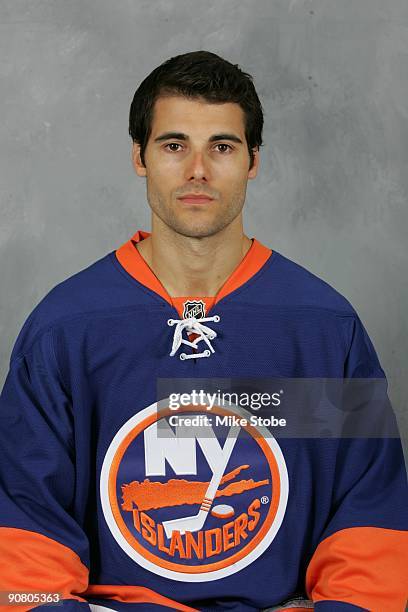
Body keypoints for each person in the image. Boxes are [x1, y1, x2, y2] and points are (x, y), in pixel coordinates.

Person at [0, 50, 407, 612]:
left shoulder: (320, 328)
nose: (198, 170)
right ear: (140, 157)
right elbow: (22, 555)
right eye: (173, 146)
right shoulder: (67, 329)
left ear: (253, 161)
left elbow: (371, 536)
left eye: (222, 146)